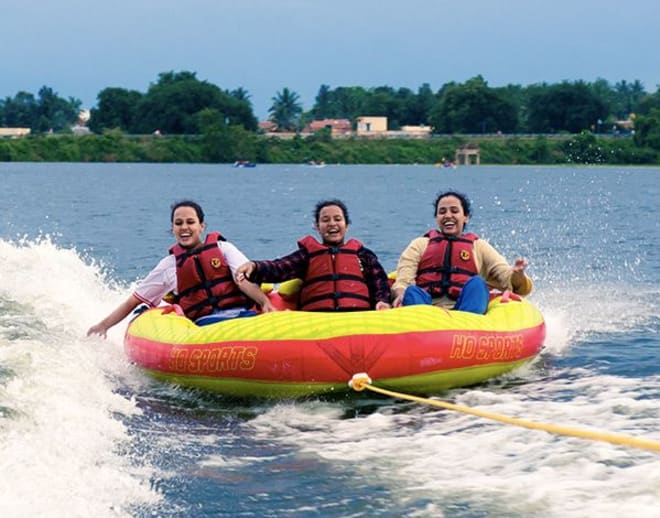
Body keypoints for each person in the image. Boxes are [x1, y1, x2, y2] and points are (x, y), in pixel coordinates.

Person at [87, 200, 274, 337]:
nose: (184, 227)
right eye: (178, 223)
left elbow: (243, 280)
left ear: (202, 226)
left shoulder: (224, 249)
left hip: (243, 318)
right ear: (172, 229)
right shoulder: (169, 266)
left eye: (190, 222)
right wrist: (103, 326)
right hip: (206, 329)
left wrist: (265, 303)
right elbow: (133, 301)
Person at [391, 191, 532, 314]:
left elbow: (506, 278)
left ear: (466, 217)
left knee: (478, 284)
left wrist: (517, 274)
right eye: (442, 212)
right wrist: (400, 294)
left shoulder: (479, 247)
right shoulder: (420, 244)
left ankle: (468, 334)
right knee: (411, 291)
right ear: (436, 218)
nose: (448, 216)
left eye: (454, 211)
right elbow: (404, 279)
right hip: (427, 311)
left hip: (465, 313)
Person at [236, 199, 391, 311]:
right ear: (317, 227)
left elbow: (379, 282)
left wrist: (382, 301)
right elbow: (279, 268)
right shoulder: (307, 256)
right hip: (317, 319)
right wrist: (255, 266)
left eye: (338, 219)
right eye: (325, 220)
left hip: (356, 317)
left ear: (347, 226)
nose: (332, 224)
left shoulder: (363, 255)